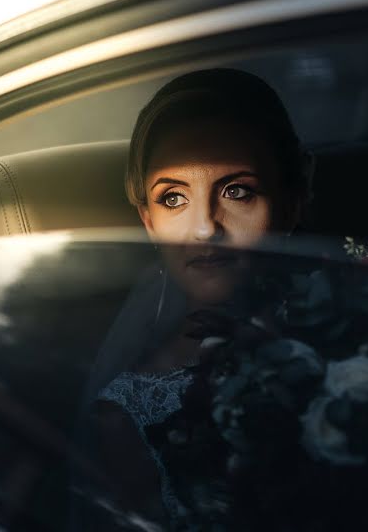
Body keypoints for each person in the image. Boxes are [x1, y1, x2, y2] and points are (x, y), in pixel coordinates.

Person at [82, 68, 306, 529]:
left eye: (237, 192)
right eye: (173, 200)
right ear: (146, 220)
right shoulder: (126, 406)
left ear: (291, 201)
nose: (205, 227)